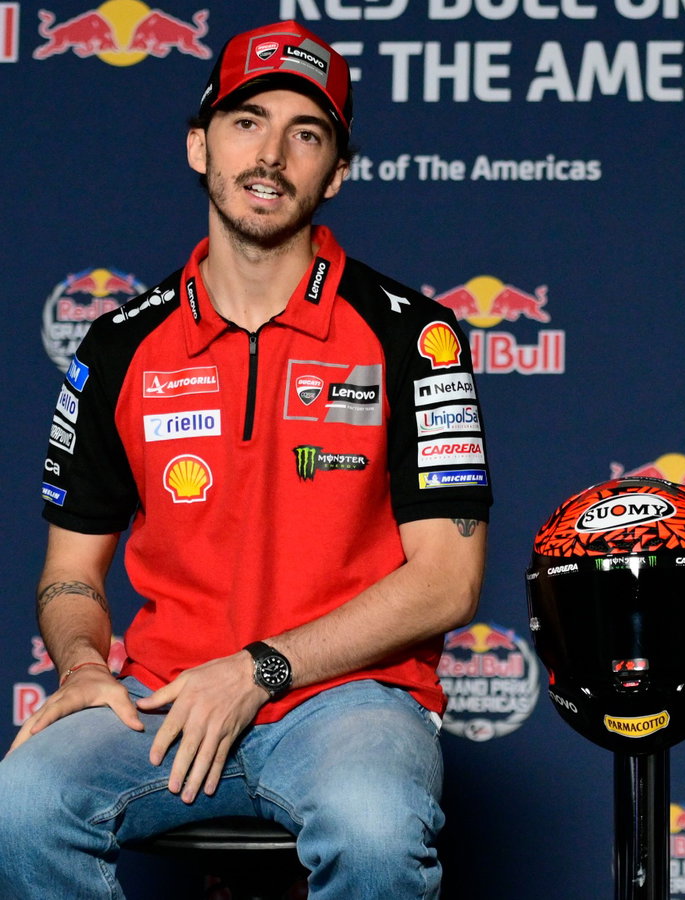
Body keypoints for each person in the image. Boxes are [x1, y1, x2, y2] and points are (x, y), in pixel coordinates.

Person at [0, 20, 491, 899]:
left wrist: (256, 669)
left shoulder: (414, 336)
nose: (271, 154)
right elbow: (70, 573)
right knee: (23, 801)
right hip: (164, 697)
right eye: (246, 122)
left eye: (306, 134)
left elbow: (447, 582)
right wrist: (81, 666)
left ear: (336, 172)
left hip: (353, 700)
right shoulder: (119, 345)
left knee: (375, 831)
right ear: (199, 146)